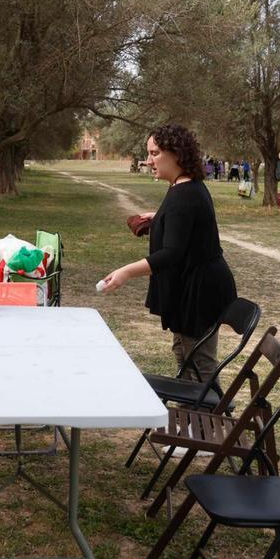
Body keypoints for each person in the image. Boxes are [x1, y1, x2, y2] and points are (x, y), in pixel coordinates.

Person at [99, 124, 237, 385]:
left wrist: (126, 272)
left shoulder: (184, 195)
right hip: (195, 287)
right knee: (184, 354)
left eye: (155, 153)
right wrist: (160, 218)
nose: (149, 160)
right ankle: (191, 416)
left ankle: (209, 420)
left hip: (200, 292)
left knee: (199, 361)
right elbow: (185, 228)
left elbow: (172, 254)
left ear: (177, 154)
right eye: (149, 153)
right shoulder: (185, 187)